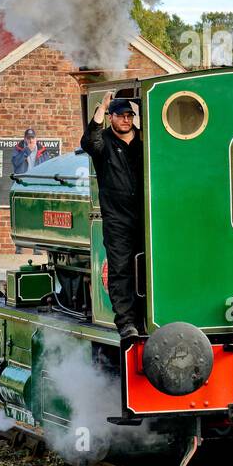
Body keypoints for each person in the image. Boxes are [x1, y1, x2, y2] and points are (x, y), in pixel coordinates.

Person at [81, 92, 145, 343]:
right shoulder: (103, 142)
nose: (126, 120)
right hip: (117, 217)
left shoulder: (143, 141)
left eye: (130, 116)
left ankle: (146, 317)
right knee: (120, 269)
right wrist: (101, 109)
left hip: (145, 216)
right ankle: (126, 323)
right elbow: (88, 142)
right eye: (121, 116)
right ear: (111, 118)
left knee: (147, 266)